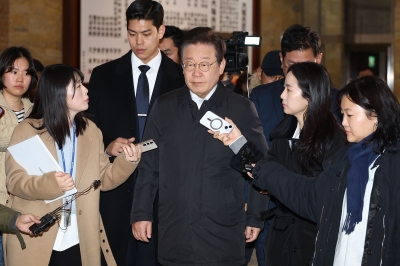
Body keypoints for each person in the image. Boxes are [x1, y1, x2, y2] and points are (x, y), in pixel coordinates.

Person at [213, 75, 400, 265]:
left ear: (376, 114)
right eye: (342, 114)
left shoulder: (391, 165)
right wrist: (240, 145)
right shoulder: (344, 162)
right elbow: (302, 192)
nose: (343, 122)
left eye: (349, 115)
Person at [131, 27, 269, 266]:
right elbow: (148, 165)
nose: (196, 73)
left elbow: (259, 166)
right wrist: (141, 213)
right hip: (175, 225)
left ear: (221, 66)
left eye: (205, 65)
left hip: (222, 227)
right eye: (189, 64)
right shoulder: (165, 106)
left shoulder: (241, 108)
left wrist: (255, 216)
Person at [5, 64, 142, 266]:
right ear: (58, 93)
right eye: (77, 86)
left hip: (80, 237)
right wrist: (51, 184)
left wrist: (126, 163)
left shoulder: (91, 131)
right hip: (38, 235)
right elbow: (15, 182)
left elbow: (103, 179)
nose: (85, 89)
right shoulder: (27, 131)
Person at [87, 1, 185, 265]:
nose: (138, 41)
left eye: (146, 33)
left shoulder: (181, 78)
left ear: (161, 31)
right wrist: (107, 146)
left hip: (165, 191)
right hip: (116, 190)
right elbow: (89, 128)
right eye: (132, 33)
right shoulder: (103, 76)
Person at [250, 24, 341, 148]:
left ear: (318, 59)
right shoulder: (261, 97)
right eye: (292, 65)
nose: (298, 73)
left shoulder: (337, 100)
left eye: (306, 65)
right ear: (282, 59)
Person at [0, 46, 37, 266]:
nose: (20, 78)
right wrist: (29, 134)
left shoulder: (35, 110)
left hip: (25, 206)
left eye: (26, 72)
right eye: (13, 71)